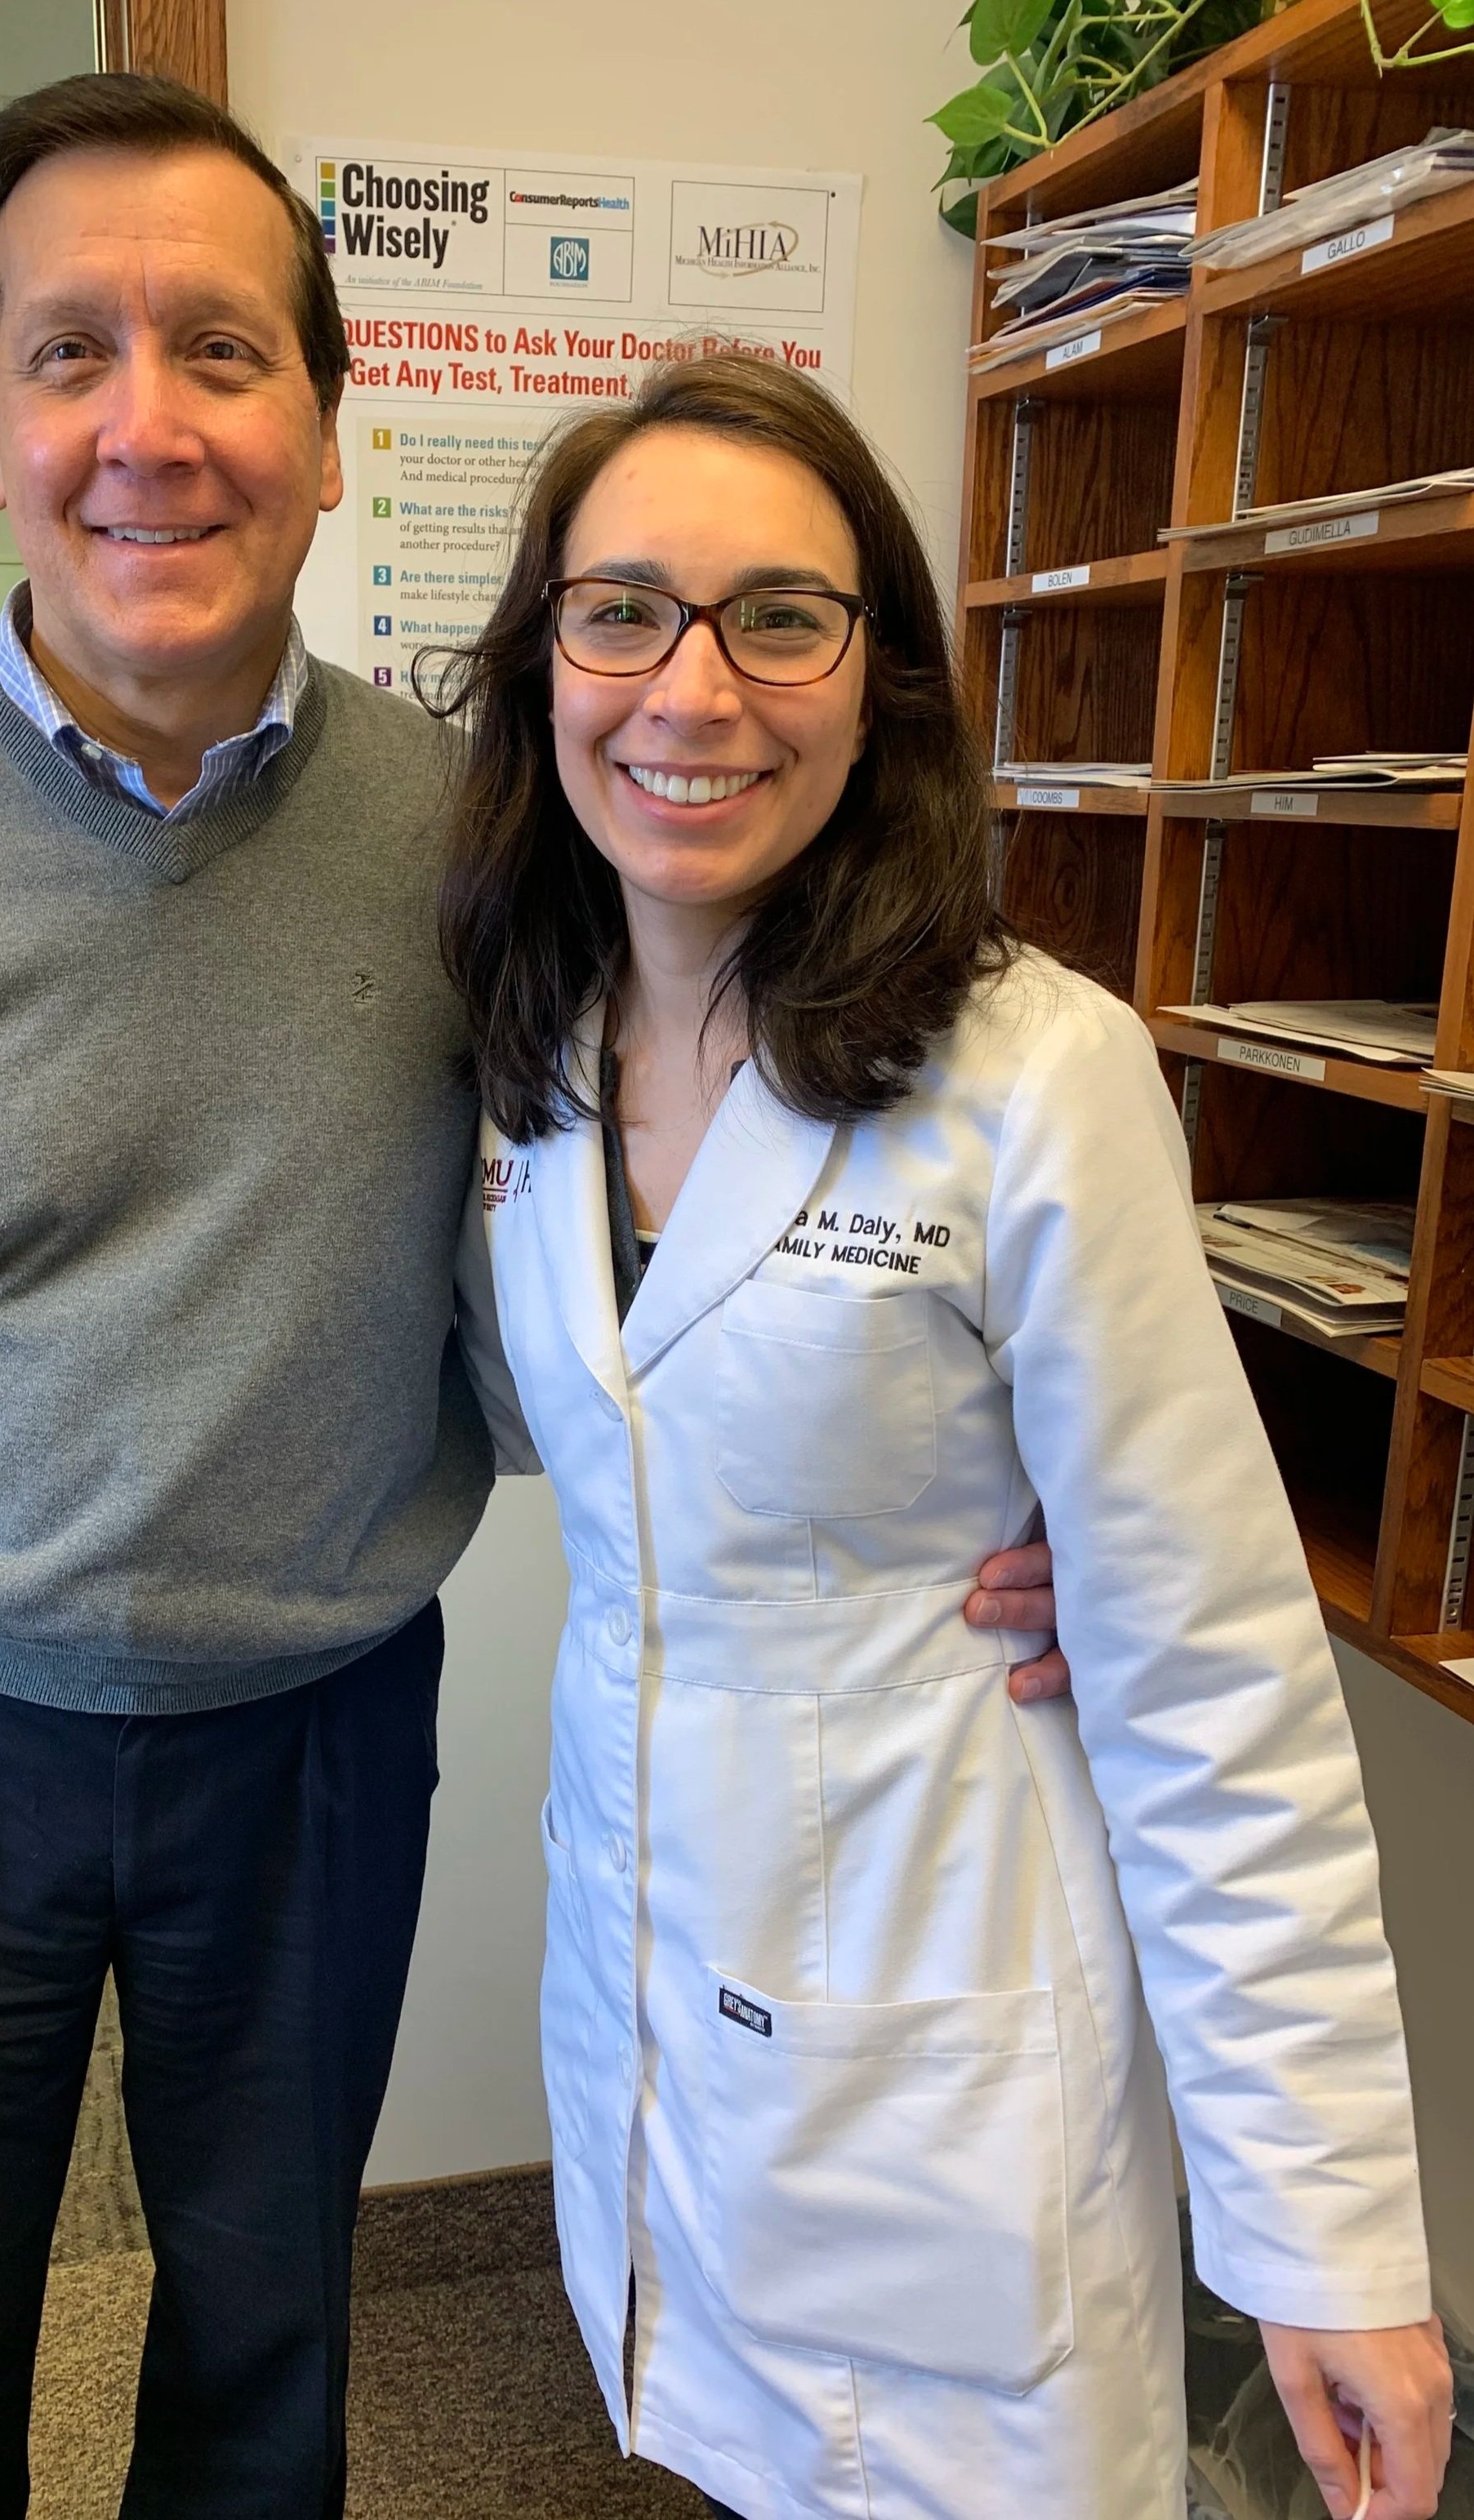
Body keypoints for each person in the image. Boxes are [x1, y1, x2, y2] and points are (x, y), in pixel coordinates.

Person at [0, 76, 1063, 2520]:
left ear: (330, 425)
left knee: (272, 2355)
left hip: (320, 1733)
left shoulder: (496, 838)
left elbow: (656, 1246)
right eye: (69, 357)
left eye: (218, 352)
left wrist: (950, 1511)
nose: (143, 427)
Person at [439, 353, 1454, 2520]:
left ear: (876, 677)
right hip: (652, 1977)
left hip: (939, 1991)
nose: (689, 688)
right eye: (618, 612)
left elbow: (1213, 1680)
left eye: (775, 618)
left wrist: (1323, 2238)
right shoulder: (532, 1050)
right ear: (542, 664)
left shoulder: (1030, 1069)